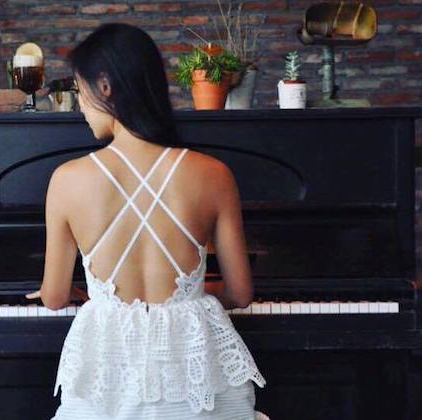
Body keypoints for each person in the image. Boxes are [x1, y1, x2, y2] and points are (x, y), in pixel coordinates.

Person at [26, 22, 267, 420]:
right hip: (196, 380)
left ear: (104, 87)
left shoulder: (67, 180)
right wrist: (185, 308)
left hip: (109, 379)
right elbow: (240, 294)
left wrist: (90, 296)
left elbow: (53, 297)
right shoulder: (214, 173)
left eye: (79, 90)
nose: (81, 106)